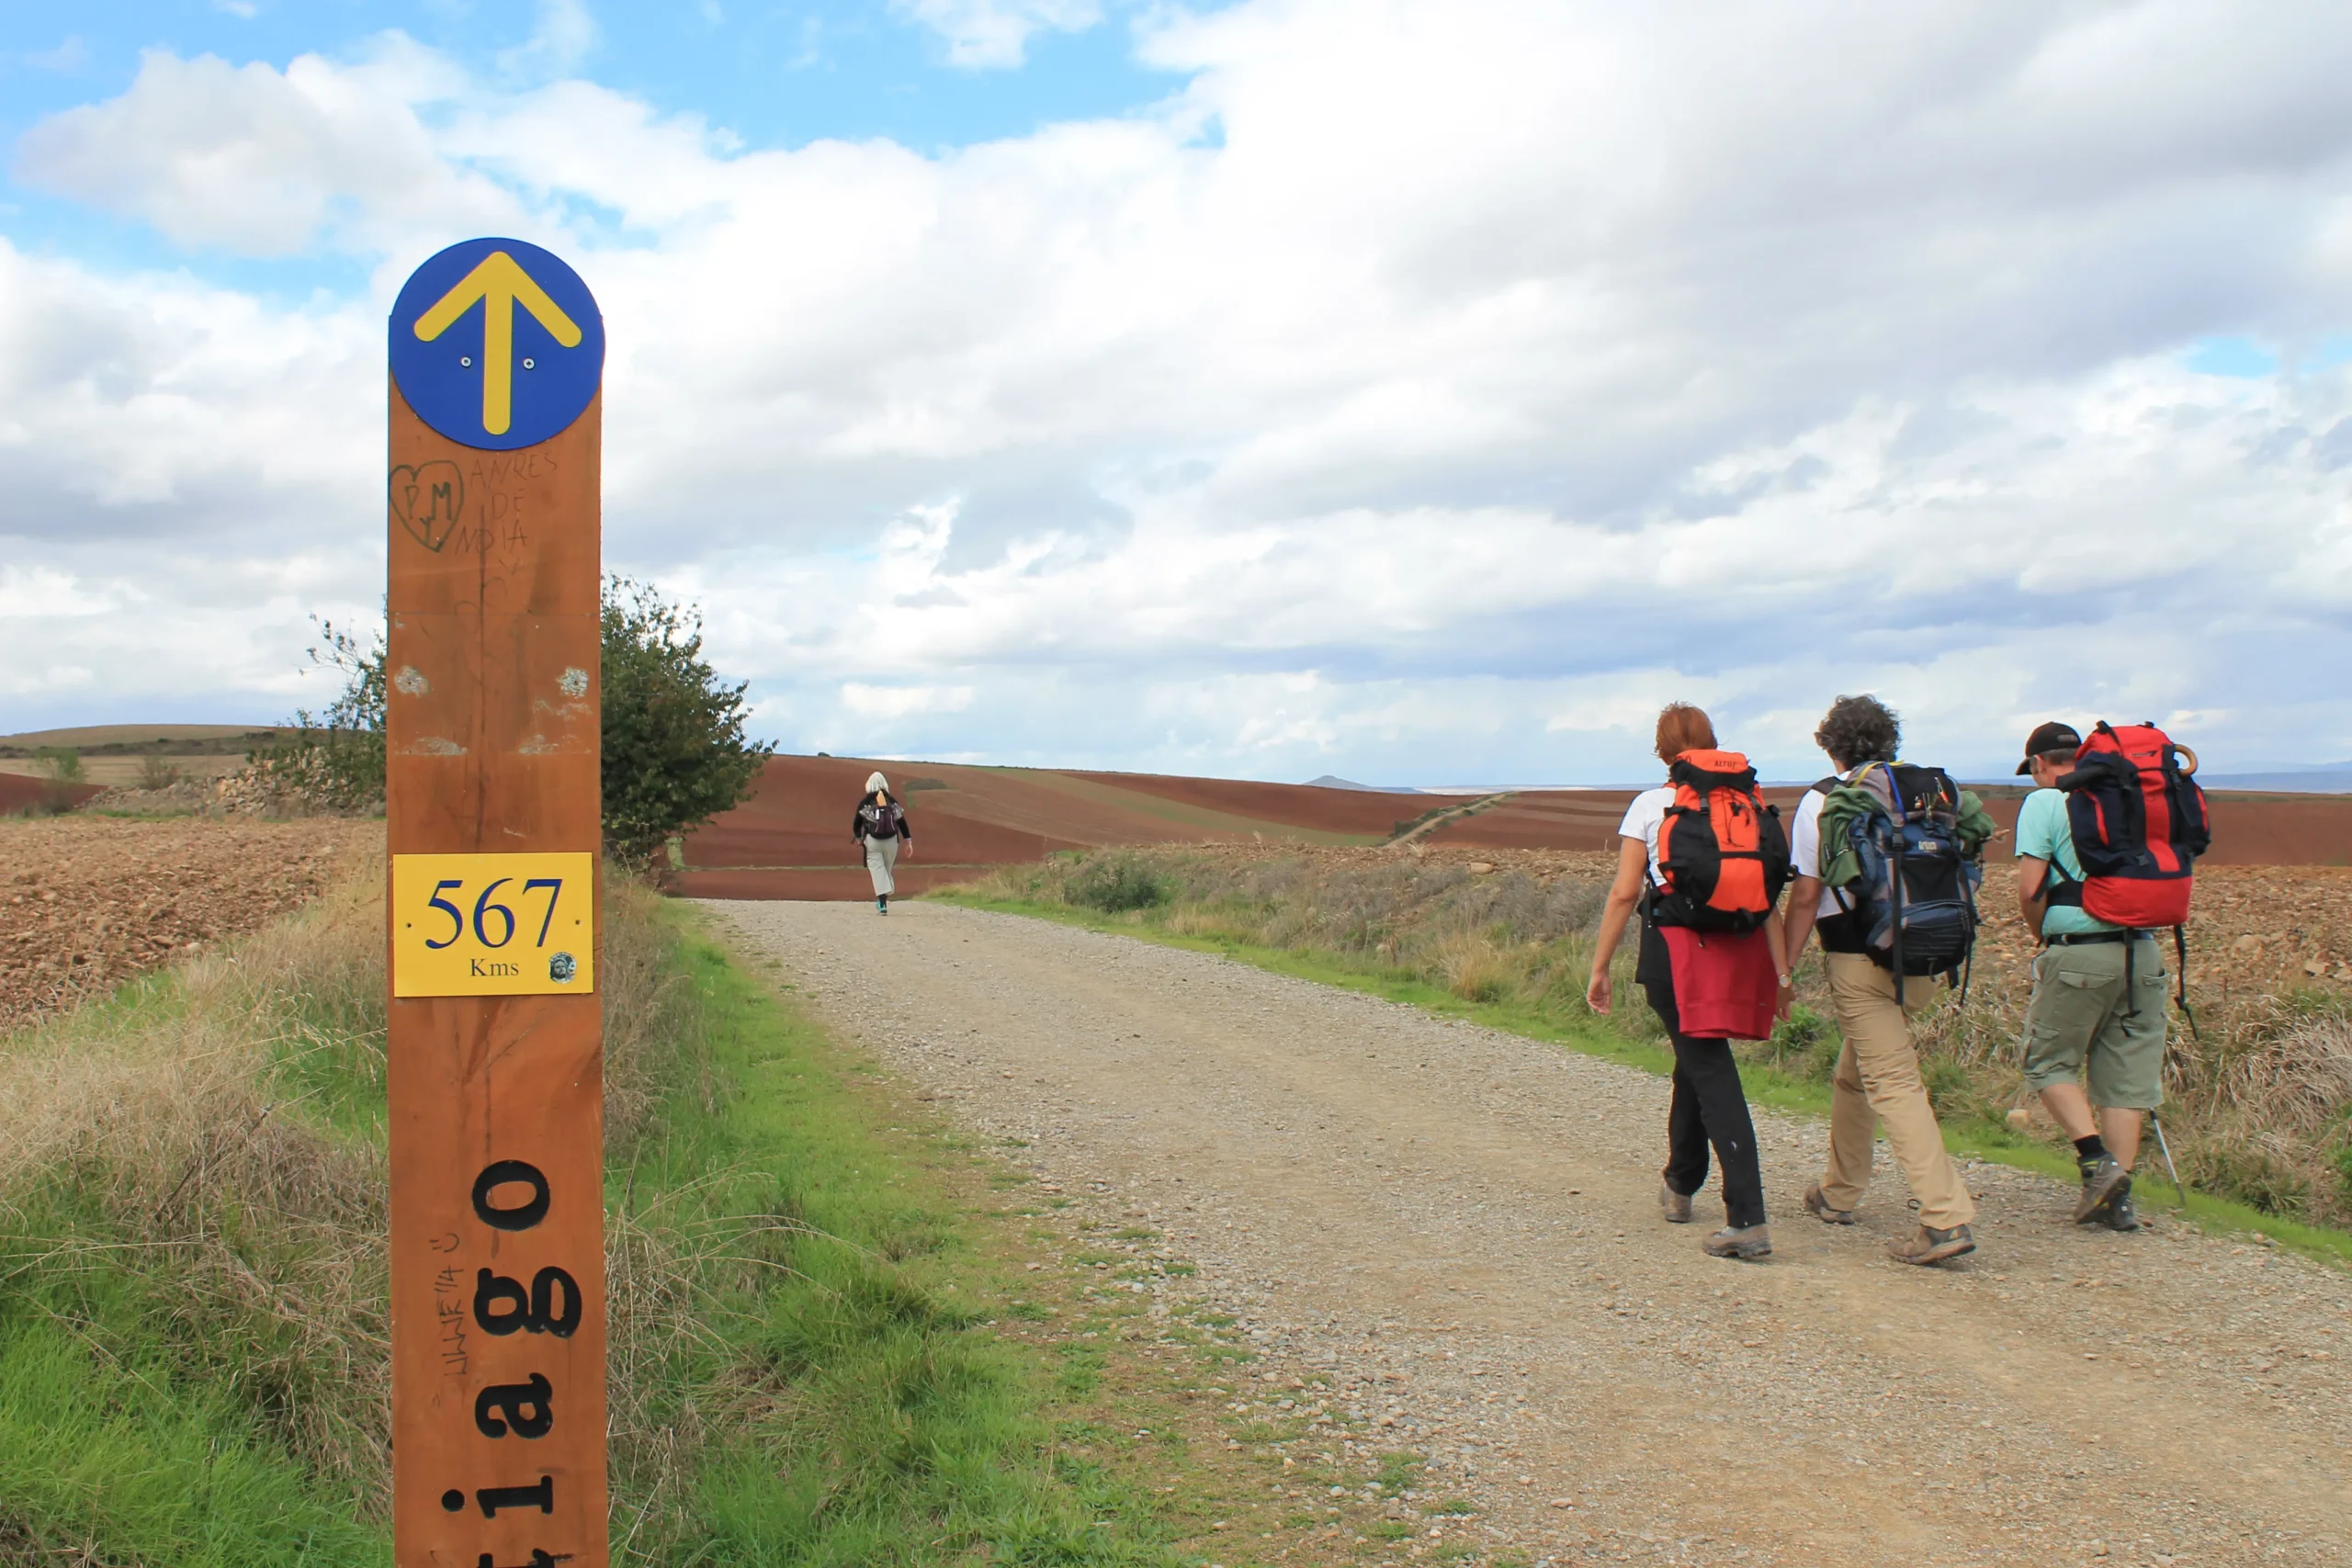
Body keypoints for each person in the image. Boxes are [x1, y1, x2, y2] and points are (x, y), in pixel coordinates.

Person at [1588, 702, 1791, 1261]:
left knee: (1708, 1067)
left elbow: (1626, 892)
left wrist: (1600, 966)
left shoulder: (1653, 804)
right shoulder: (1748, 803)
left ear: (1662, 748)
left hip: (1675, 955)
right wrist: (1780, 973)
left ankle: (1747, 1218)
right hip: (1738, 952)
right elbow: (1769, 895)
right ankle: (1680, 1184)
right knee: (1695, 1060)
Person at [1782, 694, 1980, 1266]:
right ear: (1891, 741)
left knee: (1891, 1080)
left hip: (1858, 959)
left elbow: (1805, 897)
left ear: (1830, 744)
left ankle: (1945, 1219)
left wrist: (1783, 969)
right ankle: (1838, 1192)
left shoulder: (1825, 801)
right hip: (1928, 957)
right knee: (1857, 1074)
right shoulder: (1933, 794)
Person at [2013, 720, 2162, 1232]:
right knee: (2123, 1082)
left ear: (2037, 765)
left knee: (2046, 1062)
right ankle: (2118, 1203)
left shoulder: (2044, 802)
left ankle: (2096, 1162)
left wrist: (2042, 937)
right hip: (2143, 952)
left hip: (2079, 952)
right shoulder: (2128, 793)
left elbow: (2031, 888)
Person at [853, 772, 912, 914]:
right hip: (892, 841)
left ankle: (883, 903)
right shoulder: (891, 801)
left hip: (872, 841)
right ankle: (885, 894)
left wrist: (858, 838)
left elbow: (856, 823)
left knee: (878, 871)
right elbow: (902, 822)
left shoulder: (865, 802)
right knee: (886, 870)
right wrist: (908, 841)